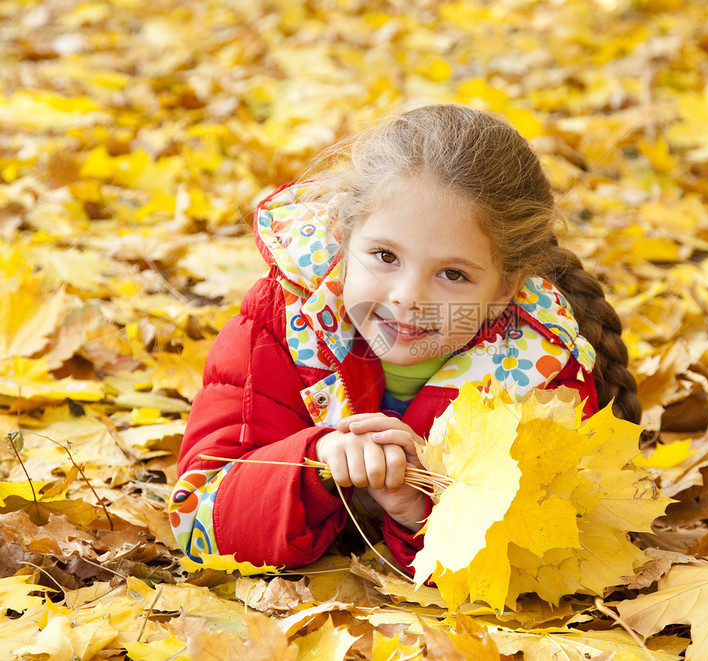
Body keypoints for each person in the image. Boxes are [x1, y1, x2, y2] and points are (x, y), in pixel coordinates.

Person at [168, 104, 640, 572]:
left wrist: (422, 506)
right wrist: (317, 465)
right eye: (385, 256)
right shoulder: (278, 326)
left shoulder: (538, 375)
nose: (407, 298)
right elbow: (198, 522)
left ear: (504, 292)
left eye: (453, 274)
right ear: (345, 235)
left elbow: (549, 560)